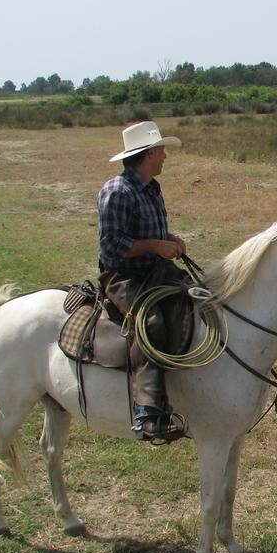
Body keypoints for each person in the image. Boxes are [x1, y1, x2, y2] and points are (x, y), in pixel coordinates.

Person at [98, 121, 189, 443]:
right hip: (125, 277)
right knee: (150, 324)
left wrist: (170, 240)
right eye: (161, 150)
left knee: (197, 299)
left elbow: (151, 232)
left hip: (157, 273)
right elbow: (111, 246)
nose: (165, 155)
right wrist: (154, 245)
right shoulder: (117, 192)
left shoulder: (152, 188)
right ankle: (148, 413)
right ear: (147, 154)